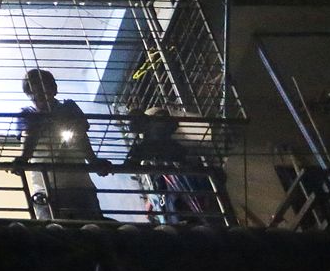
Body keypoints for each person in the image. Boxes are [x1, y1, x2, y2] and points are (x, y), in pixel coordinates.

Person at [12, 69, 111, 221]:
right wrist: (23, 159)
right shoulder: (28, 115)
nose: (41, 96)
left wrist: (94, 161)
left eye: (45, 89)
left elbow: (81, 134)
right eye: (36, 92)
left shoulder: (69, 107)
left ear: (54, 89)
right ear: (30, 95)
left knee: (92, 230)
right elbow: (29, 135)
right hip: (48, 189)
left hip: (79, 187)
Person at [123, 107, 215, 224]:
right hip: (179, 163)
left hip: (184, 159)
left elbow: (158, 137)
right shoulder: (147, 140)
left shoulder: (154, 127)